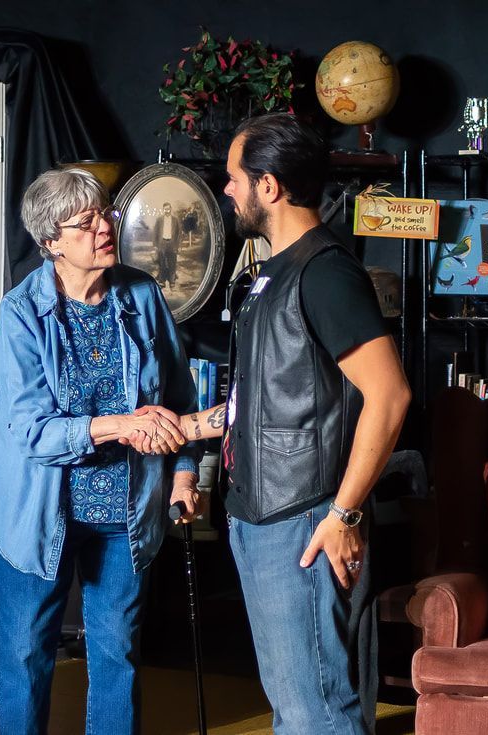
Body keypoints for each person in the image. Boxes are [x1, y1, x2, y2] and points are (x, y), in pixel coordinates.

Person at [141, 113, 411, 734]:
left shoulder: (325, 271)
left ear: (269, 186)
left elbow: (390, 396)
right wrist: (188, 427)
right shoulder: (270, 274)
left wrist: (343, 515)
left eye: (235, 178)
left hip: (305, 519)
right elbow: (262, 397)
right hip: (259, 515)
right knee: (295, 707)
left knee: (317, 710)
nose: (227, 190)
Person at [0, 168, 201, 735]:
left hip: (123, 508)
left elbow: (177, 394)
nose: (104, 228)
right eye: (86, 222)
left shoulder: (141, 294)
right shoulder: (22, 312)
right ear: (51, 243)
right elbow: (30, 429)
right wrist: (120, 426)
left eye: (106, 215)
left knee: (117, 655)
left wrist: (184, 474)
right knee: (25, 657)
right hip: (34, 507)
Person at [153, 201, 181, 286]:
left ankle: (172, 281)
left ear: (171, 209)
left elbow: (179, 233)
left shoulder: (175, 220)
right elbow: (155, 232)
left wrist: (178, 246)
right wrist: (155, 245)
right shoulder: (159, 219)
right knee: (161, 262)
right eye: (165, 209)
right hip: (162, 243)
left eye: (168, 209)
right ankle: (162, 281)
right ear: (163, 210)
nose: (167, 211)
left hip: (172, 243)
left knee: (172, 262)